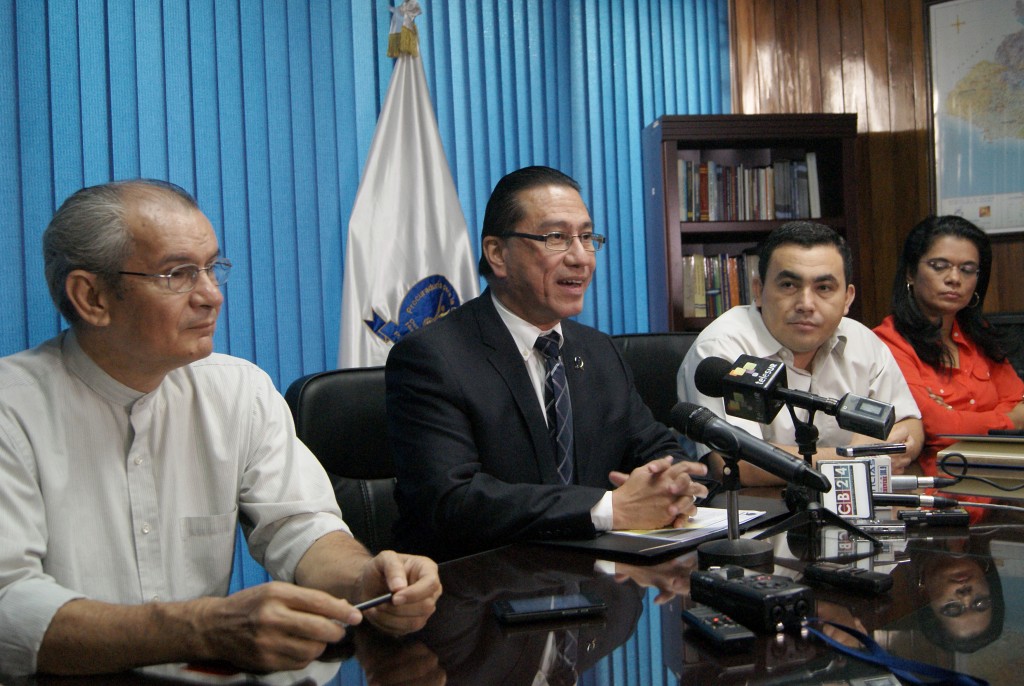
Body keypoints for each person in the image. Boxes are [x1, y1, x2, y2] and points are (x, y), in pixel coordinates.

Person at [0, 180, 441, 677]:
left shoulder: (238, 390)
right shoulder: (10, 409)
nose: (211, 296)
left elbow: (300, 526)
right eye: (178, 274)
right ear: (92, 297)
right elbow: (9, 605)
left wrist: (363, 580)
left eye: (212, 268)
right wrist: (199, 628)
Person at [386, 166, 708, 561]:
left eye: (587, 237)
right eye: (556, 237)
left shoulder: (598, 351)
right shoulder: (432, 358)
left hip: (597, 580)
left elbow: (655, 447)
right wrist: (609, 509)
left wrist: (672, 485)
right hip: (480, 583)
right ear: (497, 254)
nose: (581, 258)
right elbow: (452, 500)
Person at [677, 221, 923, 485]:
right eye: (788, 285)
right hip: (751, 507)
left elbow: (909, 424)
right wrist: (853, 459)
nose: (806, 304)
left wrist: (897, 445)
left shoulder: (862, 341)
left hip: (845, 503)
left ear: (847, 298)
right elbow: (736, 461)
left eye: (824, 288)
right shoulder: (720, 348)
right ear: (758, 290)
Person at [873, 215, 1024, 479]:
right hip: (940, 490)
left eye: (967, 269)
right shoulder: (887, 342)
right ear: (911, 272)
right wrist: (1009, 419)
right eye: (939, 266)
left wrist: (958, 418)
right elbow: (937, 426)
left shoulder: (979, 335)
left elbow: (1019, 402)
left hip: (1003, 482)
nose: (954, 278)